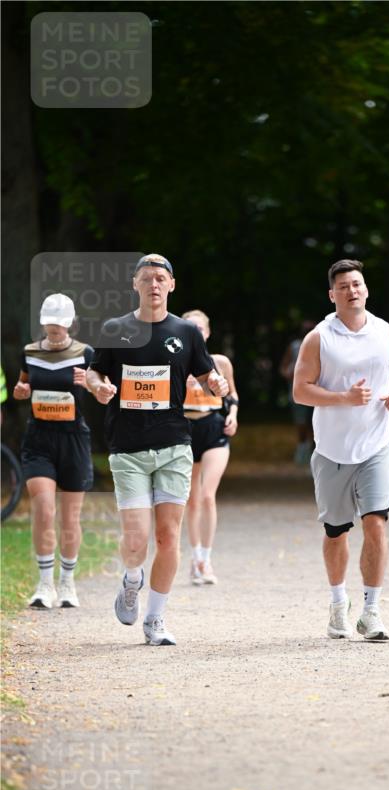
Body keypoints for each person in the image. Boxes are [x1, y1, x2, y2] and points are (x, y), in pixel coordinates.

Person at [86, 253, 228, 645]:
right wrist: (98, 386)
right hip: (128, 449)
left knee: (168, 537)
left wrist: (218, 385)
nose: (153, 285)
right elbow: (97, 370)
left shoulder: (185, 332)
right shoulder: (116, 328)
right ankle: (132, 579)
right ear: (135, 284)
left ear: (171, 285)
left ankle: (155, 619)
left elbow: (208, 373)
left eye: (160, 279)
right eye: (146, 278)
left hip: (174, 446)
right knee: (137, 540)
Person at [293, 259, 389, 641]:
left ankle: (371, 610)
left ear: (366, 289)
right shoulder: (319, 337)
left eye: (357, 284)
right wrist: (342, 398)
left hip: (377, 444)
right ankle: (337, 604)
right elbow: (301, 390)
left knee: (376, 523)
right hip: (332, 449)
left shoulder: (387, 333)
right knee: (336, 532)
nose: (352, 290)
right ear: (332, 295)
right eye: (344, 286)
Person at [13, 293, 94, 609]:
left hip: (73, 439)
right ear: (43, 321)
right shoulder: (30, 353)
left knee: (70, 517)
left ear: (70, 323)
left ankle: (67, 582)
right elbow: (24, 386)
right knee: (44, 508)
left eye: (60, 324)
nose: (55, 329)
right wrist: (22, 392)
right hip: (39, 439)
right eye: (50, 323)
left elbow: (106, 391)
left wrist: (89, 382)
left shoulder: (85, 353)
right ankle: (44, 583)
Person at [181, 309, 239, 585]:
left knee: (207, 495)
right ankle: (195, 559)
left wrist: (233, 415)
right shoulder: (175, 362)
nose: (196, 333)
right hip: (185, 430)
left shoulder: (220, 362)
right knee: (191, 500)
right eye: (189, 327)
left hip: (214, 428)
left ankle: (206, 558)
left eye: (200, 329)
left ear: (207, 332)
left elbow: (233, 394)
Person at [279, 320, 315, 464]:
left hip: (316, 390)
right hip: (297, 390)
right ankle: (302, 450)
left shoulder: (321, 343)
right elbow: (283, 366)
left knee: (314, 422)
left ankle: (314, 450)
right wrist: (288, 375)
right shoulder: (294, 346)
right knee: (300, 421)